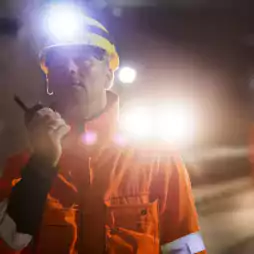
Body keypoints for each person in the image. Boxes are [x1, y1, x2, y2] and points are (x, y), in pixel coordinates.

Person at [0, 13, 206, 254]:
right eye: (58, 62)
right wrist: (40, 168)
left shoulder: (157, 159)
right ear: (49, 80)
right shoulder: (25, 167)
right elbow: (6, 246)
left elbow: (183, 246)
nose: (69, 68)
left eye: (83, 58)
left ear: (109, 74)